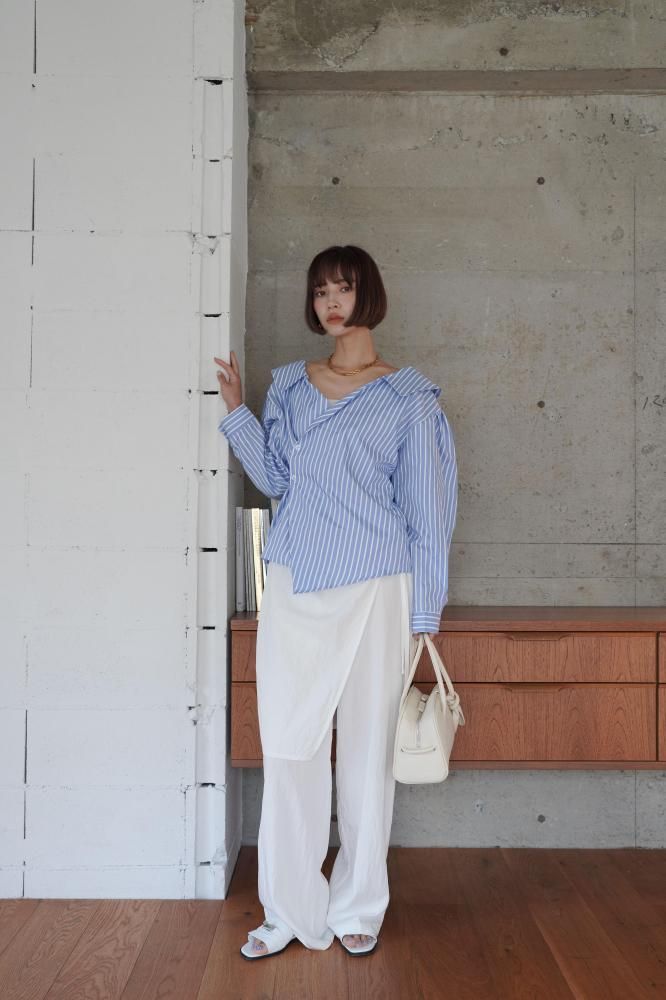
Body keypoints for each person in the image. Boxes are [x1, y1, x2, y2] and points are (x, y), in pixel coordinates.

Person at [214, 244, 458, 960]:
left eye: (344, 288)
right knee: (290, 745)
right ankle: (287, 908)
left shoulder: (409, 399)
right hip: (295, 581)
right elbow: (275, 479)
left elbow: (429, 513)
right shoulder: (291, 386)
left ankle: (358, 906)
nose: (330, 302)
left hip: (378, 586)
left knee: (366, 754)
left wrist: (425, 614)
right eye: (321, 290)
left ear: (368, 295)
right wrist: (237, 411)